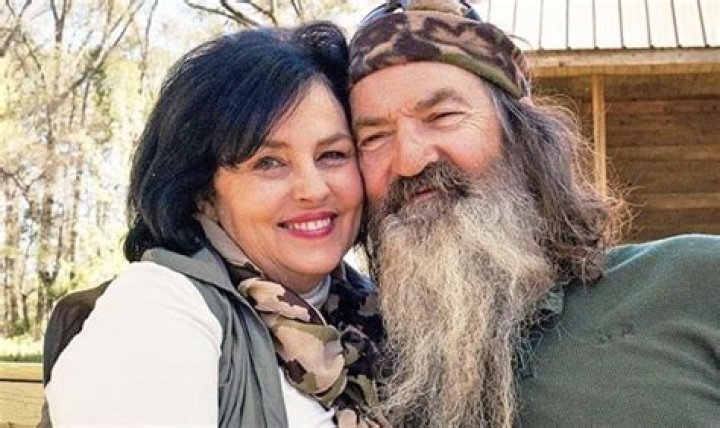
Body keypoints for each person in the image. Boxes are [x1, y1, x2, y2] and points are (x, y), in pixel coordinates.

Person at [347, 0, 720, 426]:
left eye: (443, 116)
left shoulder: (696, 282)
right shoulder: (357, 370)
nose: (409, 160)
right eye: (374, 138)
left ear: (520, 134)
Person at [43, 22, 385, 427]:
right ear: (203, 191)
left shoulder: (381, 315)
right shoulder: (158, 311)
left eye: (333, 154)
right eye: (268, 162)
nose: (313, 188)